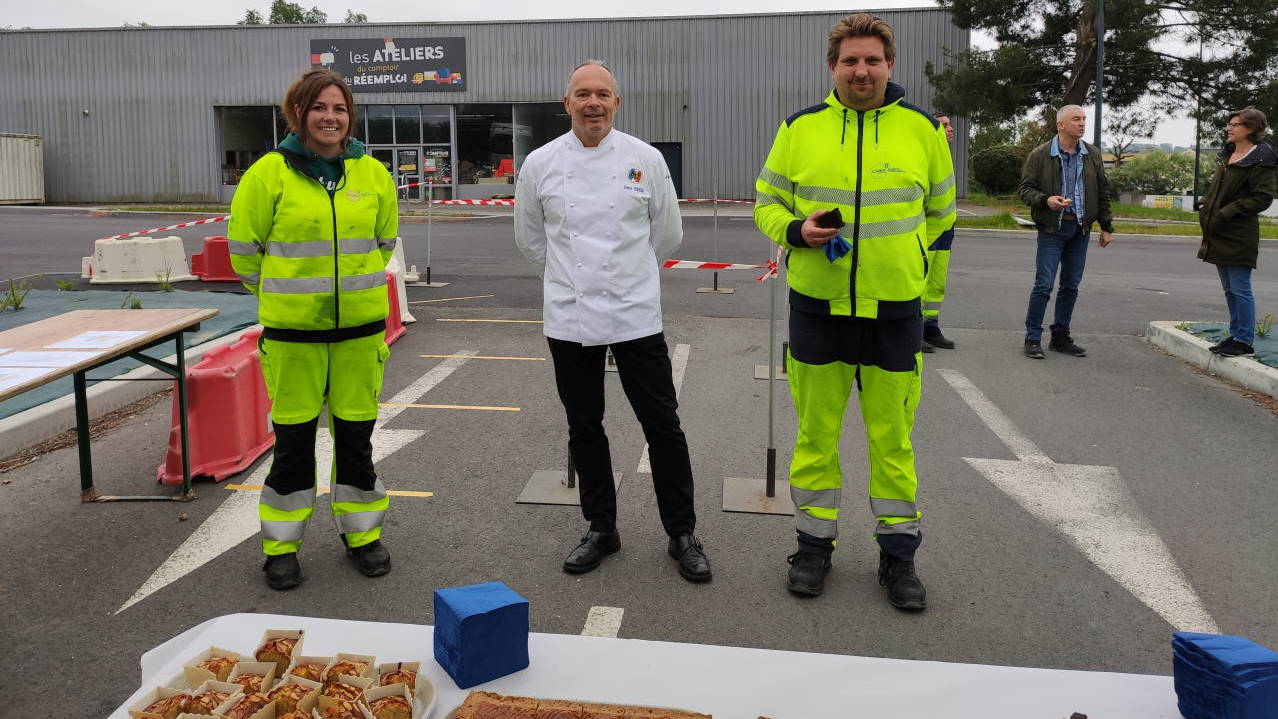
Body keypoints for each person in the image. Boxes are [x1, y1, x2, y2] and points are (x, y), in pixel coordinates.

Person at [753, 14, 955, 609]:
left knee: (893, 440)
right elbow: (766, 203)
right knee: (816, 435)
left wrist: (923, 289)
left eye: (871, 59)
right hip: (818, 309)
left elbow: (942, 219)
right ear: (832, 67)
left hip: (895, 312)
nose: (860, 70)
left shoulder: (922, 131)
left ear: (889, 65)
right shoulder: (800, 129)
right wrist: (794, 230)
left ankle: (899, 559)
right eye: (849, 60)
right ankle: (813, 547)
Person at [514, 60, 711, 583]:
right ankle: (602, 527)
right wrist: (567, 281)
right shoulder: (539, 164)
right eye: (583, 94)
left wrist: (627, 277)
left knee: (663, 426)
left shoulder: (644, 160)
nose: (593, 103)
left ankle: (682, 533)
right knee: (584, 426)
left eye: (603, 94)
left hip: (635, 315)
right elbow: (532, 242)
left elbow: (666, 236)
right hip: (569, 316)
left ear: (616, 103)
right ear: (567, 103)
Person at [228, 68, 399, 590]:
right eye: (319, 107)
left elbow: (384, 242)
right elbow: (243, 252)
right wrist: (285, 299)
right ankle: (281, 547)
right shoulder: (268, 174)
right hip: (293, 338)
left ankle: (362, 536)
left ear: (350, 116)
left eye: (340, 108)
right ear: (297, 113)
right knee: (294, 445)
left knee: (356, 442)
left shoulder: (371, 174)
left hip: (361, 334)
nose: (330, 117)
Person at [1017, 105, 1115, 359]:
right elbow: (1025, 189)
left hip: (1080, 229)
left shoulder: (1091, 154)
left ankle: (1060, 336)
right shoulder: (1041, 155)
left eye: (1083, 119)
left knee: (1070, 286)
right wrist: (1045, 200)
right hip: (1052, 228)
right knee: (1044, 285)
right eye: (1076, 119)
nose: (1082, 123)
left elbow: (1102, 191)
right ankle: (1033, 338)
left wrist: (1106, 226)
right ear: (1061, 125)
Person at [1197, 107, 1277, 358]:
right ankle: (1236, 334)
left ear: (1252, 129)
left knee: (1241, 289)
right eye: (1229, 124)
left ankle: (1244, 341)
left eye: (1236, 124)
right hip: (1218, 232)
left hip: (1239, 233)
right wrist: (1207, 205)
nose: (1229, 128)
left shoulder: (1261, 159)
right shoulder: (1228, 153)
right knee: (1229, 289)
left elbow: (1262, 197)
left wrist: (1226, 212)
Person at [921, 112, 958, 353]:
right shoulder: (926, 153)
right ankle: (915, 331)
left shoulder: (944, 154)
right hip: (929, 228)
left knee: (936, 282)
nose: (950, 129)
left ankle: (931, 327)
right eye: (944, 125)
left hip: (946, 227)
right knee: (920, 283)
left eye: (949, 124)